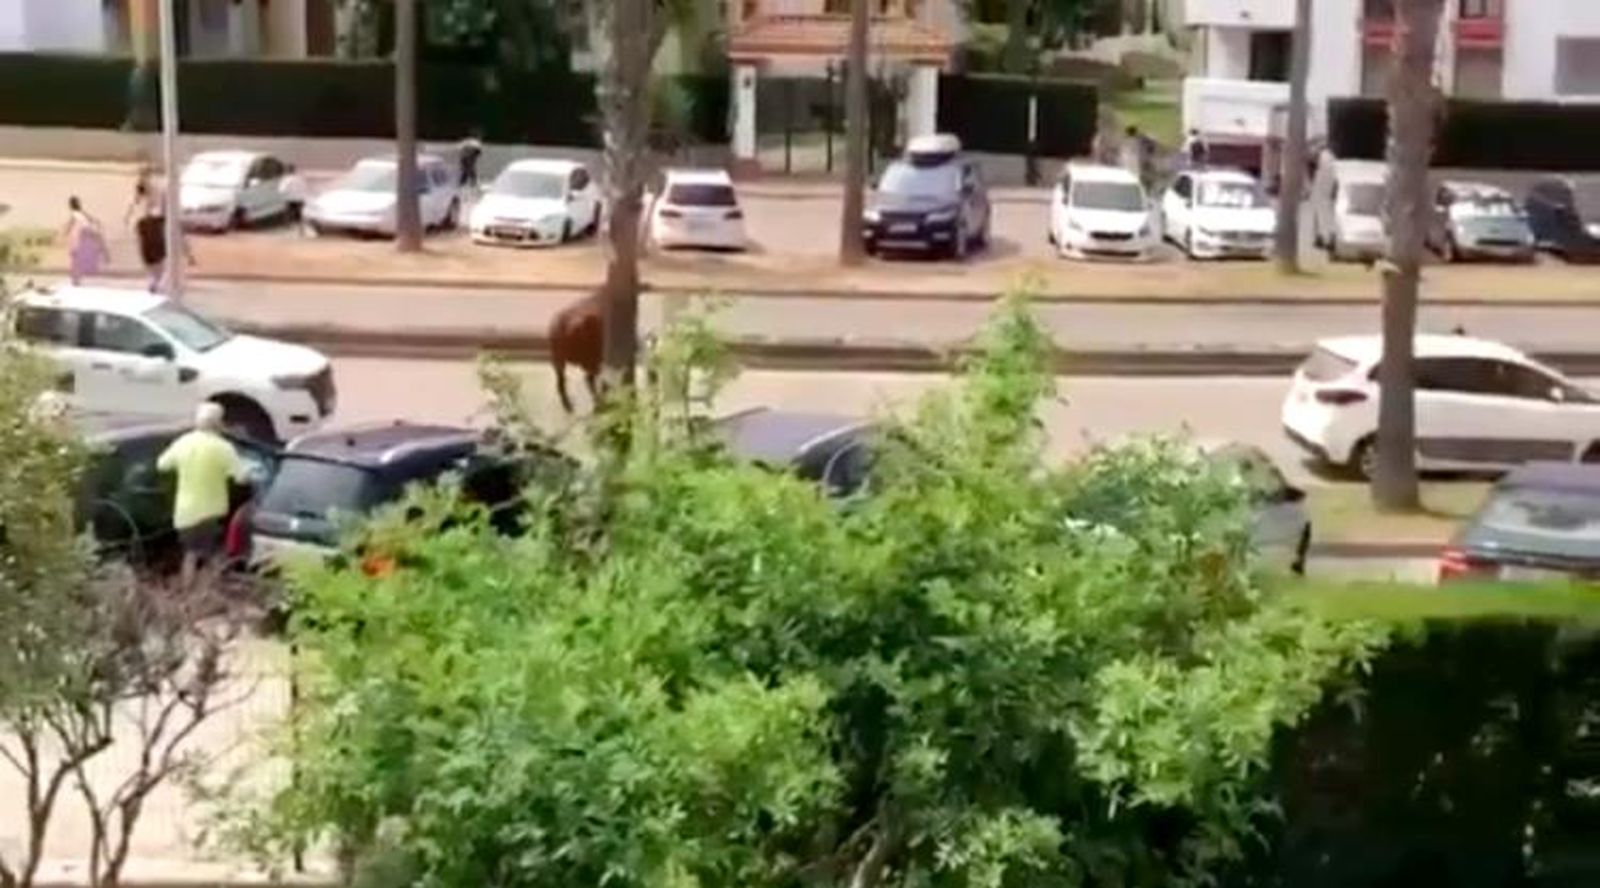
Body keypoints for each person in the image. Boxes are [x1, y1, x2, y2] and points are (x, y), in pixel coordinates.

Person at [157, 403, 249, 592]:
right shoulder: (223, 448)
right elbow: (242, 478)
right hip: (211, 511)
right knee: (210, 554)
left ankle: (187, 593)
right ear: (219, 423)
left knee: (190, 554)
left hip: (185, 512)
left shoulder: (184, 442)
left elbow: (162, 465)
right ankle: (207, 592)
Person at [62, 196, 108, 286]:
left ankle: (76, 279)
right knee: (77, 258)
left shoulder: (75, 214)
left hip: (78, 236)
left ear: (70, 205)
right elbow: (91, 220)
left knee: (75, 258)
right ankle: (76, 279)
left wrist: (65, 232)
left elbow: (70, 224)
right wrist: (97, 222)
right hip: (83, 234)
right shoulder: (82, 213)